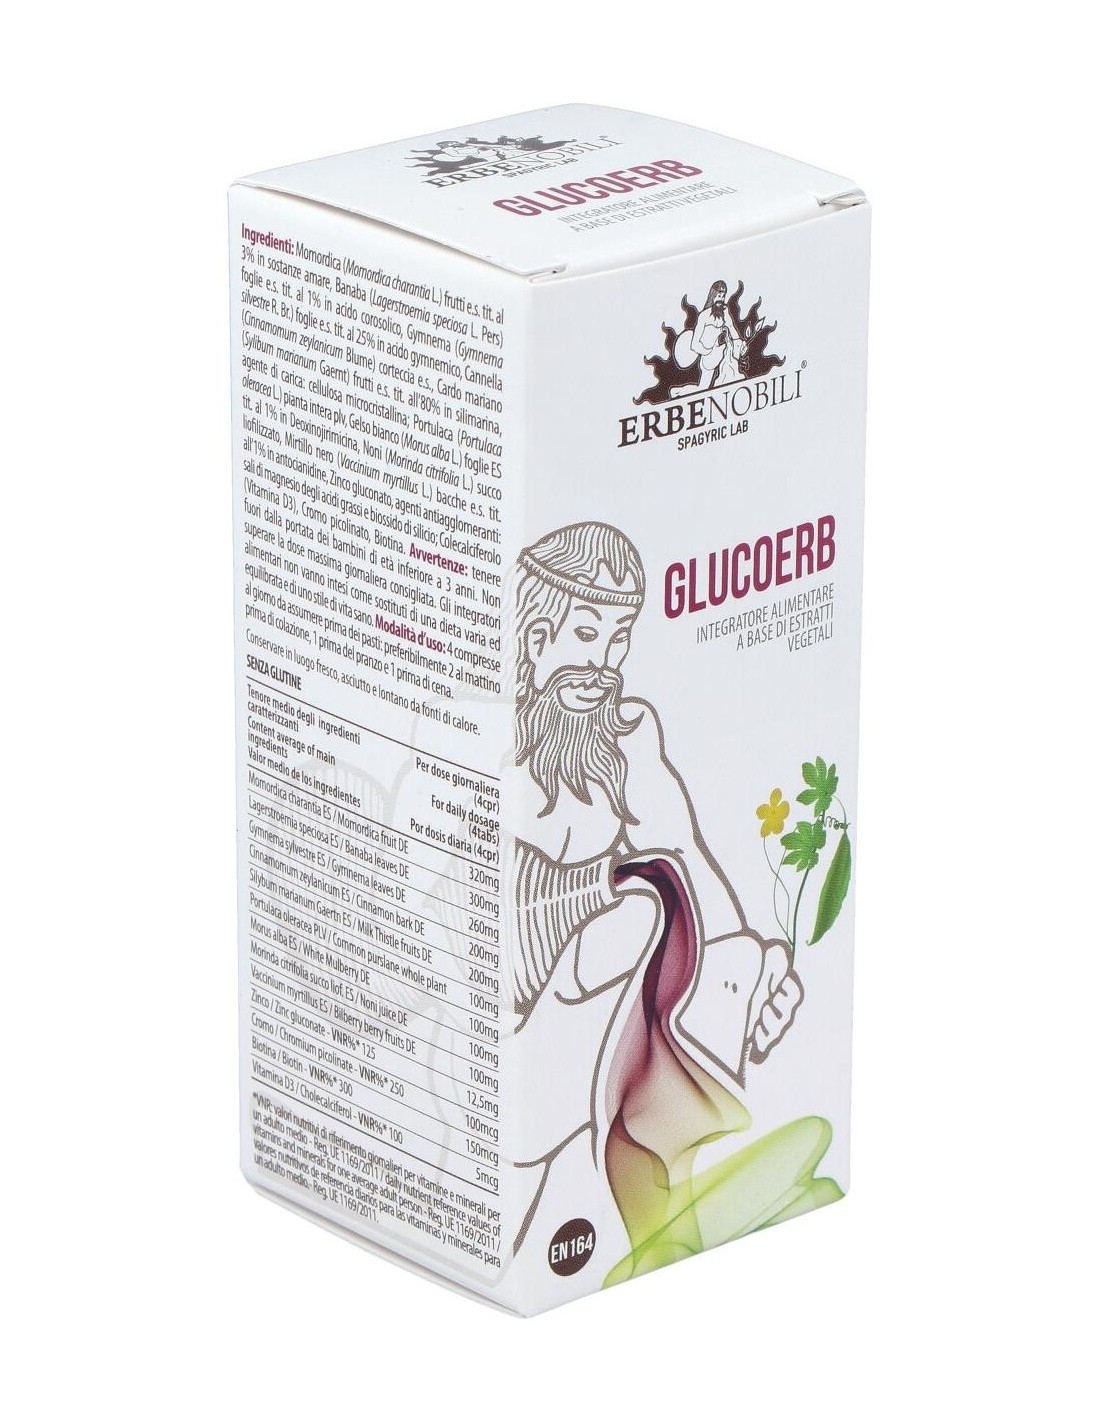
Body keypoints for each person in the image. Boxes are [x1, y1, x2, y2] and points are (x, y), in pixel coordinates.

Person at [504, 521, 805, 1268]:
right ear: (535, 639)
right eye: (585, 635)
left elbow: (689, 862)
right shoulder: (488, 759)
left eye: (617, 641)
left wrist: (752, 971)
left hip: (613, 1054)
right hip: (503, 1049)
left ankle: (669, 1230)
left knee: (662, 920)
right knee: (510, 1223)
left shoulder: (626, 743)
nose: (602, 667)